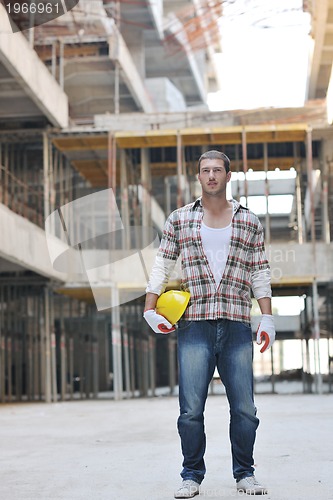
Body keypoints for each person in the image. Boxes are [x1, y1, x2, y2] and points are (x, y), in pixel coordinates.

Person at [143, 150, 276, 498]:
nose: (212, 175)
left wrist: (268, 317)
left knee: (245, 408)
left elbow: (259, 272)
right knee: (190, 409)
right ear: (198, 176)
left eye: (218, 170)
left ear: (228, 176)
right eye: (206, 170)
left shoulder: (249, 221)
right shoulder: (179, 219)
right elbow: (161, 265)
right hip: (195, 325)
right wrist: (149, 308)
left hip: (235, 324)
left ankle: (245, 474)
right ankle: (191, 476)